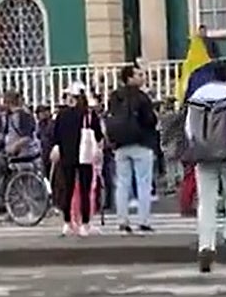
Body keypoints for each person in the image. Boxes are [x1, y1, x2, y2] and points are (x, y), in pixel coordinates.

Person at [184, 60, 226, 273]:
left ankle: (206, 243)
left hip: (202, 152)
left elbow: (189, 128)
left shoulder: (198, 95)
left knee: (206, 199)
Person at [106, 65, 159, 234]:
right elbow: (149, 120)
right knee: (143, 183)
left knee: (122, 183)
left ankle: (122, 220)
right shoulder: (142, 97)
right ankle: (143, 221)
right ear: (129, 78)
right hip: (141, 143)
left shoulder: (114, 96)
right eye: (139, 74)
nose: (142, 77)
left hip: (120, 145)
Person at [52, 83, 103, 236]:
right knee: (85, 190)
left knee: (67, 189)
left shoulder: (62, 114)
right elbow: (98, 135)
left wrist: (58, 148)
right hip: (84, 155)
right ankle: (84, 224)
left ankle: (67, 223)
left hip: (67, 155)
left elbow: (56, 135)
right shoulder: (89, 114)